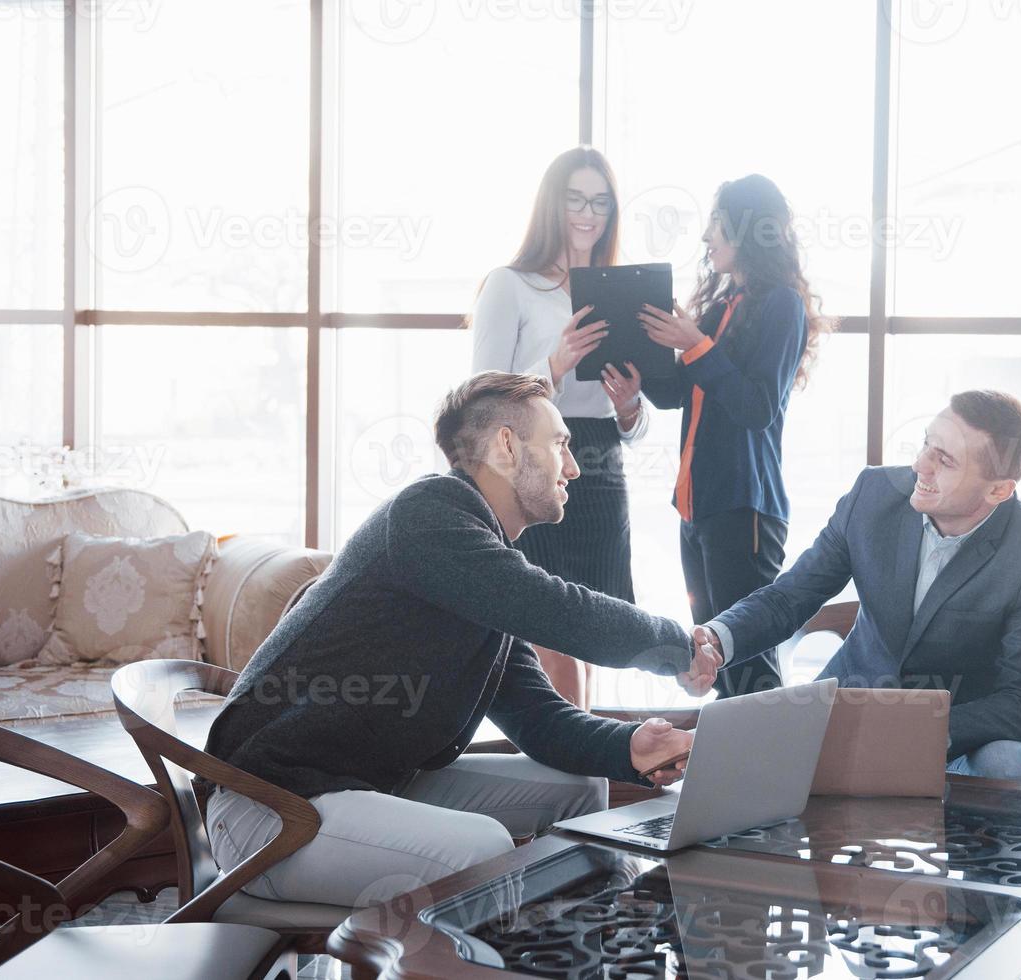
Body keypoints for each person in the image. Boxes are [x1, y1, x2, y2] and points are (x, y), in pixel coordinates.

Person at [203, 372, 694, 909]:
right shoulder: (429, 516)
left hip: (366, 784)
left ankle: (571, 947)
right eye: (561, 444)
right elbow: (562, 612)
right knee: (482, 847)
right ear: (507, 445)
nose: (573, 467)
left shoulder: (476, 564)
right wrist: (681, 649)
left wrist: (628, 747)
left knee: (579, 788)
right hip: (274, 809)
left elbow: (539, 719)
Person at [680, 390, 1021, 783]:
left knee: (1012, 763)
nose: (921, 465)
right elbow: (790, 597)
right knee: (744, 775)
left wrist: (914, 729)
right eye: (926, 444)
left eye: (945, 460)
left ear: (998, 490)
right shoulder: (873, 494)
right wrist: (716, 638)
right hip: (850, 712)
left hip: (959, 740)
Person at [638, 174, 832, 698]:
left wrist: (696, 344)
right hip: (695, 509)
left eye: (716, 224)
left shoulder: (781, 306)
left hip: (744, 511)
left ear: (746, 230)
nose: (706, 237)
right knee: (716, 663)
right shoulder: (724, 307)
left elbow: (757, 407)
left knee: (748, 670)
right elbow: (679, 392)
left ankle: (770, 779)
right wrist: (641, 372)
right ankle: (737, 778)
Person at [469, 147, 646, 710]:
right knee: (550, 625)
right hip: (535, 462)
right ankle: (573, 761)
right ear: (553, 204)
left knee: (597, 625)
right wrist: (554, 365)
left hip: (600, 459)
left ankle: (586, 752)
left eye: (600, 201)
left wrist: (630, 407)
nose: (588, 213)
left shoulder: (620, 291)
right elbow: (481, 399)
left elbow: (635, 422)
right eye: (575, 199)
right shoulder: (510, 284)